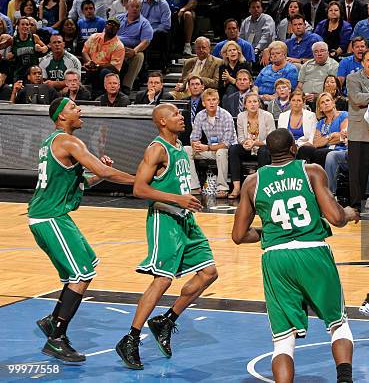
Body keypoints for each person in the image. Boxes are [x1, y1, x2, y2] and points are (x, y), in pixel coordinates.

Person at [231, 127, 357, 383]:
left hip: (276, 258)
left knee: (283, 341)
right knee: (337, 324)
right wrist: (349, 213)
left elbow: (238, 235)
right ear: (293, 148)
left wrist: (269, 233)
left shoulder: (252, 182)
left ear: (268, 152)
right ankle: (344, 379)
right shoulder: (311, 171)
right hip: (312, 252)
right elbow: (335, 218)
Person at [29, 97, 134, 362]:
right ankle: (57, 336)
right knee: (81, 274)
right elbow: (103, 171)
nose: (80, 110)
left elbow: (84, 179)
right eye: (74, 108)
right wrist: (141, 182)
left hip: (54, 216)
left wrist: (100, 173)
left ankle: (52, 321)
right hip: (49, 217)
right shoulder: (68, 141)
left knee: (86, 265)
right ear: (61, 117)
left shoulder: (52, 142)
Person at [115, 103, 217, 370]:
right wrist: (177, 199)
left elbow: (177, 184)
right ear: (162, 121)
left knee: (209, 273)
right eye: (174, 114)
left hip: (185, 220)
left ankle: (166, 321)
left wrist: (190, 199)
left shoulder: (179, 148)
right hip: (165, 220)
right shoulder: (156, 148)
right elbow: (139, 187)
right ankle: (131, 339)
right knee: (162, 281)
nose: (180, 116)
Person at [347, 48, 369, 212]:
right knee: (357, 172)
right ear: (362, 62)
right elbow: (357, 99)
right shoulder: (352, 78)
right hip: (359, 131)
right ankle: (355, 207)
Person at [190, 88, 237, 198]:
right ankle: (195, 186)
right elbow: (194, 137)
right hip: (210, 149)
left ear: (218, 101)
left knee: (221, 151)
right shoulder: (200, 116)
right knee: (186, 150)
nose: (211, 102)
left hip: (227, 151)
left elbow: (226, 143)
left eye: (214, 99)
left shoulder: (226, 116)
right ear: (203, 103)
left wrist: (206, 147)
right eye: (208, 100)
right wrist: (195, 144)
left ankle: (222, 188)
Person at [228, 92, 274, 198]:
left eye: (255, 101)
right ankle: (237, 188)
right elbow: (240, 138)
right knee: (234, 149)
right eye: (249, 102)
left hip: (263, 148)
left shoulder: (267, 116)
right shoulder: (241, 116)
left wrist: (255, 143)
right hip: (248, 148)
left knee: (263, 151)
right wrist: (245, 142)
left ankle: (262, 188)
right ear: (245, 105)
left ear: (259, 104)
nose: (252, 104)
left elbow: (271, 139)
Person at [117, 0, 154, 92]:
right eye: (132, 6)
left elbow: (146, 41)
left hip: (130, 51)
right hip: (115, 49)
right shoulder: (117, 19)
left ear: (140, 8)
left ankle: (126, 86)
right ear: (127, 7)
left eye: (137, 7)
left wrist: (135, 51)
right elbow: (106, 33)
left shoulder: (144, 23)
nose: (135, 9)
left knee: (140, 56)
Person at [82, 17, 125, 98]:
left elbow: (114, 67)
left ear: (118, 29)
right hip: (90, 66)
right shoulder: (94, 37)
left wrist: (97, 65)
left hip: (104, 70)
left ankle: (103, 94)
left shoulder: (119, 45)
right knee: (84, 68)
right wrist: (89, 62)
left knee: (104, 71)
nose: (111, 26)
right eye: (109, 24)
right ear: (105, 26)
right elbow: (85, 51)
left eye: (114, 25)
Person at [141, 0, 172, 72]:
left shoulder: (163, 4)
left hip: (157, 32)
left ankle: (164, 65)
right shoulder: (140, 4)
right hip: (144, 32)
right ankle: (143, 68)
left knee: (162, 34)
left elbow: (166, 24)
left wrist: (151, 33)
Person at [297, 41, 339, 106]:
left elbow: (333, 89)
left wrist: (317, 96)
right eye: (316, 52)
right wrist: (300, 96)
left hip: (323, 99)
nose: (319, 54)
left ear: (328, 53)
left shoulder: (334, 65)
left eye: (322, 51)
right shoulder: (307, 65)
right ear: (313, 54)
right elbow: (300, 85)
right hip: (305, 98)